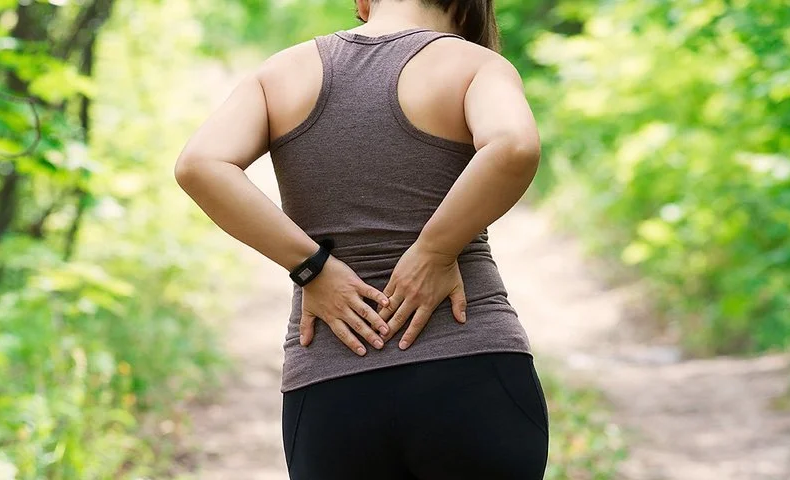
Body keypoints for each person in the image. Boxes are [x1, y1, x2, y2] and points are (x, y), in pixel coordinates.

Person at [174, 0, 546, 478]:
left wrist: (313, 268)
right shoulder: (474, 66)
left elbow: (199, 165)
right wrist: (435, 251)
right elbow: (514, 144)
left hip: (333, 383)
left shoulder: (280, 74)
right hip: (473, 368)